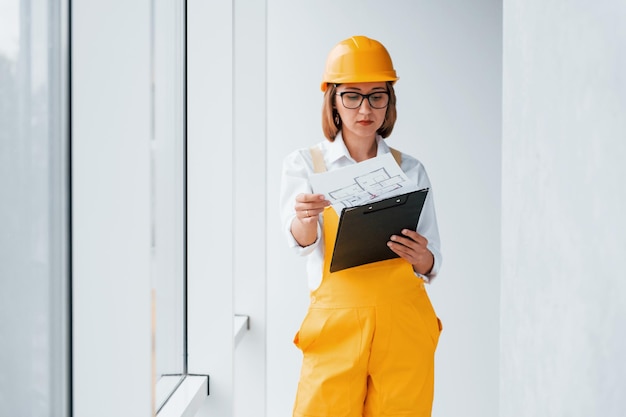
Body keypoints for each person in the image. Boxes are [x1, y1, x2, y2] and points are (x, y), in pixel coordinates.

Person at [279, 35, 443, 417]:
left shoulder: (411, 169)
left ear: (389, 102)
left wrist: (423, 257)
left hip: (404, 323)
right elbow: (301, 243)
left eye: (377, 95)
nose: (364, 108)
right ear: (333, 100)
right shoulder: (304, 165)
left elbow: (431, 261)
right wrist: (305, 219)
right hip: (335, 326)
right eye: (352, 95)